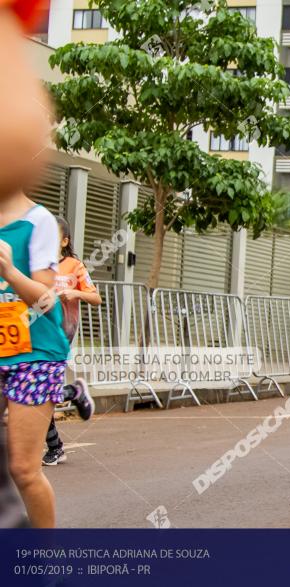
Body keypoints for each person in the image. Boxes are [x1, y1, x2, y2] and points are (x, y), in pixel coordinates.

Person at [0, 0, 57, 529]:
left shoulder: (37, 222)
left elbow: (45, 300)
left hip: (33, 352)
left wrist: (9, 271)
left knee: (22, 466)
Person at [42, 217, 99, 466]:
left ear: (64, 242)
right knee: (36, 392)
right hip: (33, 334)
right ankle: (72, 394)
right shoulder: (37, 265)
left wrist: (74, 292)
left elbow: (95, 297)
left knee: (39, 392)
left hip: (60, 335)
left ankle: (55, 446)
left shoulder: (74, 266)